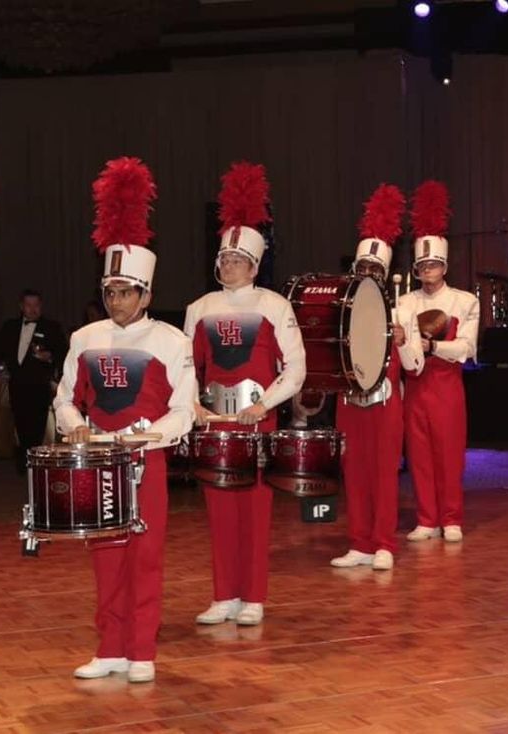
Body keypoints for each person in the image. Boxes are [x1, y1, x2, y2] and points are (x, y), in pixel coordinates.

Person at [54, 157, 195, 683]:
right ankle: (110, 648)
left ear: (147, 295)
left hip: (145, 464)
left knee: (145, 557)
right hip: (98, 465)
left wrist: (149, 436)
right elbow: (65, 399)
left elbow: (184, 409)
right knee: (105, 559)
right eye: (110, 292)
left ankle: (141, 652)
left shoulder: (171, 341)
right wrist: (77, 428)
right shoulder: (83, 339)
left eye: (126, 292)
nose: (116, 301)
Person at [185, 162, 306, 627]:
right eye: (225, 260)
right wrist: (192, 405)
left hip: (258, 419)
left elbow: (295, 368)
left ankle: (253, 596)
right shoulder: (200, 308)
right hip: (215, 422)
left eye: (239, 261)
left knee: (256, 509)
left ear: (255, 265)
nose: (230, 266)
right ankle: (223, 596)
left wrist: (265, 405)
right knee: (218, 509)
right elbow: (185, 367)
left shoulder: (275, 305)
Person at [331, 183, 423, 570]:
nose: (368, 274)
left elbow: (416, 365)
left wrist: (402, 341)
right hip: (349, 403)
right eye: (362, 268)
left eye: (375, 270)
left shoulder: (403, 311)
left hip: (386, 401)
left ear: (385, 275)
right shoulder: (340, 310)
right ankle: (360, 543)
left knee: (385, 474)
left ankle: (384, 542)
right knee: (353, 473)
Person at [398, 180, 479, 543]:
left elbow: (467, 347)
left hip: (447, 384)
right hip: (415, 385)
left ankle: (451, 517)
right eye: (422, 265)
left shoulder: (464, 301)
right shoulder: (405, 302)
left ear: (444, 266)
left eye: (433, 264)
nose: (427, 270)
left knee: (448, 454)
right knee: (418, 455)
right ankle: (426, 518)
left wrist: (434, 348)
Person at [0, 289, 66, 471]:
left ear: (41, 306)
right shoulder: (10, 326)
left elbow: (63, 352)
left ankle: (34, 461)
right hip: (16, 383)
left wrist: (49, 356)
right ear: (21, 306)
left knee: (37, 423)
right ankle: (25, 458)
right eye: (28, 305)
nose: (32, 309)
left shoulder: (51, 327)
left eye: (36, 305)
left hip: (39, 383)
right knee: (20, 421)